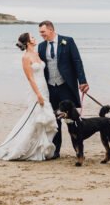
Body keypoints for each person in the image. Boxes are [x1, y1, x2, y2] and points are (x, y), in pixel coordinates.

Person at [0, 32, 57, 161]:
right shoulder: (26, 57)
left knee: (43, 117)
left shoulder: (36, 53)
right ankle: (23, 148)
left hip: (44, 88)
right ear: (28, 42)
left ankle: (40, 149)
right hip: (36, 89)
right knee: (35, 117)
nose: (34, 38)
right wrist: (38, 94)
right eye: (32, 37)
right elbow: (30, 78)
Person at [38, 20, 89, 160]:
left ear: (50, 29)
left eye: (42, 32)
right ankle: (56, 151)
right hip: (51, 87)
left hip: (66, 86)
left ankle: (78, 150)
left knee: (72, 118)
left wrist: (83, 81)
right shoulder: (41, 47)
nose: (41, 35)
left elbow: (77, 61)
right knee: (55, 119)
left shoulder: (68, 41)